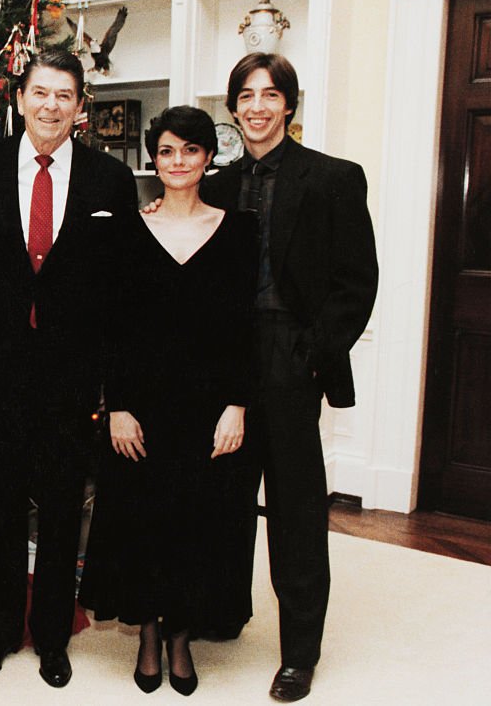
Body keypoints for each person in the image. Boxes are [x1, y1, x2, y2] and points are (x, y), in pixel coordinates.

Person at [0, 50, 138, 688]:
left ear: (81, 107)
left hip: (71, 373)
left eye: (65, 95)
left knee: (63, 506)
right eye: (40, 92)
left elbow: (119, 287)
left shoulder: (109, 180)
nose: (51, 105)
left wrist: (112, 382)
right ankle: (2, 629)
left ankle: (54, 634)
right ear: (20, 98)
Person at [200, 54, 378, 702]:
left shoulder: (332, 178)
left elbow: (357, 284)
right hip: (227, 359)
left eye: (270, 95)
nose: (257, 107)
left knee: (296, 512)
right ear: (233, 107)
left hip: (291, 358)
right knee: (223, 495)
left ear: (289, 105)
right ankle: (222, 614)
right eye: (245, 96)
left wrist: (311, 353)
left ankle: (299, 654)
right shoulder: (214, 186)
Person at [78, 105, 258, 696]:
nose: (178, 162)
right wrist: (119, 406)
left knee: (198, 525)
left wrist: (237, 404)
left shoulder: (240, 230)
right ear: (153, 161)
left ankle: (182, 639)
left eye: (190, 150)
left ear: (209, 158)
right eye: (167, 152)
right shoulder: (125, 231)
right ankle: (150, 637)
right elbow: (110, 327)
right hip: (143, 409)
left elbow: (244, 329)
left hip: (209, 412)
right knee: (143, 524)